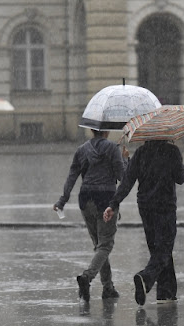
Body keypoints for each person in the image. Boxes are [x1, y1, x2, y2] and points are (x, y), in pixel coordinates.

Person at [103, 140, 184, 306]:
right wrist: (179, 162)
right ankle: (146, 278)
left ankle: (166, 293)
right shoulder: (172, 151)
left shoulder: (141, 152)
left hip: (145, 206)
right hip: (165, 205)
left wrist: (114, 203)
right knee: (164, 249)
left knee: (158, 249)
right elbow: (181, 178)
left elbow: (127, 181)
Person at [53, 129, 129, 302]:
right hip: (105, 200)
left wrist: (62, 201)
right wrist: (125, 159)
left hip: (86, 199)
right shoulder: (112, 149)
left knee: (99, 245)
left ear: (92, 129)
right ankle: (87, 277)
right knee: (105, 245)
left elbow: (71, 177)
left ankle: (108, 287)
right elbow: (122, 176)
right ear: (107, 131)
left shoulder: (82, 149)